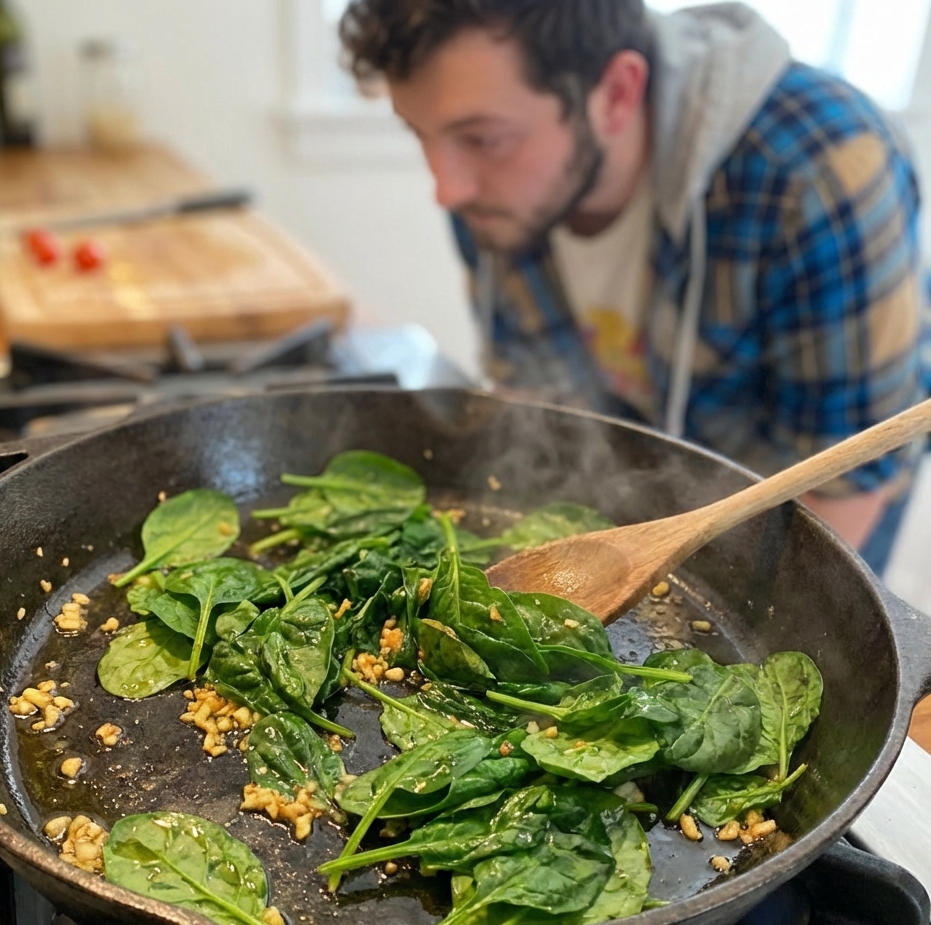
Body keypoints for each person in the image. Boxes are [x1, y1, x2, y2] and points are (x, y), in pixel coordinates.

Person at [338, 0, 928, 574]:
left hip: (805, 503)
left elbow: (844, 488)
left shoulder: (821, 172)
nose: (446, 189)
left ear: (617, 93)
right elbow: (536, 407)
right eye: (419, 133)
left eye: (483, 139)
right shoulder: (492, 194)